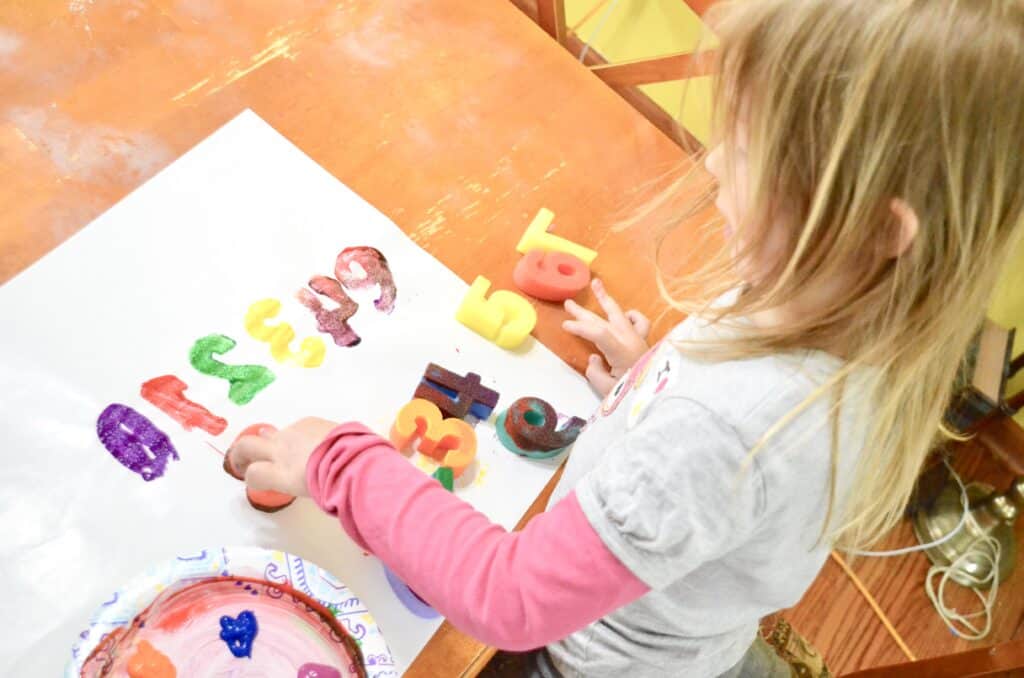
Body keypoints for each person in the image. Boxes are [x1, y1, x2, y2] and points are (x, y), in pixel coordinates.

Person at [227, 1, 1024, 675]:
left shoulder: (724, 432)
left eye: (747, 150)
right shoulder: (864, 312)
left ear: (876, 227)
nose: (714, 164)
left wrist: (335, 461)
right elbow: (736, 481)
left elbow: (511, 602)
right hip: (686, 609)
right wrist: (646, 378)